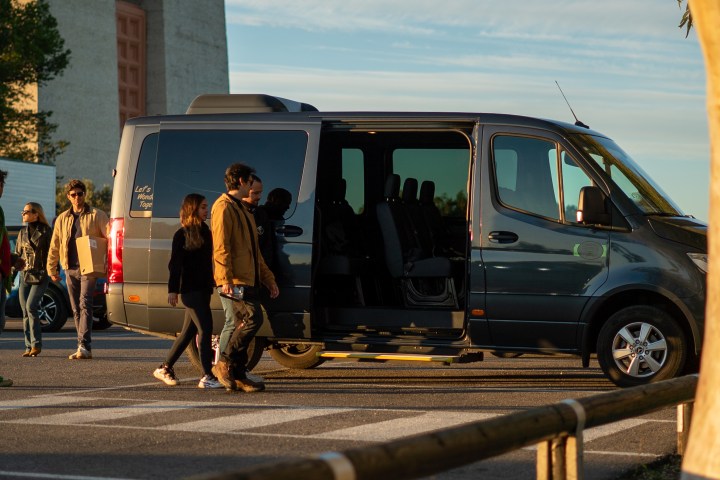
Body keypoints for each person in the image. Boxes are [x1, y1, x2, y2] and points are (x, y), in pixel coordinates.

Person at [211, 163, 279, 393]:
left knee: (250, 321)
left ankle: (238, 373)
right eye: (250, 181)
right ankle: (225, 362)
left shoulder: (242, 209)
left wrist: (269, 279)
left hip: (248, 278)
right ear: (241, 181)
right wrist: (225, 279)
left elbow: (254, 251)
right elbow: (221, 246)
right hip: (234, 279)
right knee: (253, 317)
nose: (252, 186)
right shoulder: (223, 207)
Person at [153, 194, 222, 389]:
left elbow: (208, 262)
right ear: (192, 209)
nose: (206, 210)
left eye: (206, 207)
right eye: (202, 207)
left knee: (187, 332)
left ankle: (165, 367)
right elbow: (174, 265)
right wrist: (172, 290)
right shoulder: (181, 235)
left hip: (203, 288)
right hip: (190, 291)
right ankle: (207, 375)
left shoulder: (205, 231)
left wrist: (214, 282)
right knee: (206, 329)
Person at [47, 179, 108, 360]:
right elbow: (55, 244)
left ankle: (84, 345)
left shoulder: (97, 215)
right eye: (73, 195)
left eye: (80, 194)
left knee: (85, 303)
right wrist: (52, 268)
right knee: (75, 308)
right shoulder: (62, 218)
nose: (77, 198)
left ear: (85, 194)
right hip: (69, 267)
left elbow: (111, 237)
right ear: (68, 197)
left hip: (88, 266)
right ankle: (81, 344)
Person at [15, 202, 53, 357]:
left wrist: (52, 269)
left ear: (36, 214)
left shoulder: (46, 231)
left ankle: (36, 344)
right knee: (24, 310)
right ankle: (28, 346)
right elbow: (17, 254)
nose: (23, 214)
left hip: (41, 274)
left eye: (27, 211)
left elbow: (52, 252)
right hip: (25, 274)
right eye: (22, 211)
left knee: (31, 306)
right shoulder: (22, 232)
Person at [241, 174, 272, 263]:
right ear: (244, 190)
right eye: (255, 193)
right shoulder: (234, 212)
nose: (259, 197)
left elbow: (267, 247)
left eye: (260, 192)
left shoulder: (261, 214)